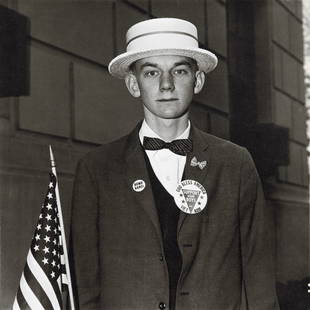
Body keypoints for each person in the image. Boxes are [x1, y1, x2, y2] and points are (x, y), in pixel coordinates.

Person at [69, 18, 279, 310]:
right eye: (151, 72)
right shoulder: (97, 169)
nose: (166, 84)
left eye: (179, 71)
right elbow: (84, 282)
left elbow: (258, 274)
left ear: (198, 80)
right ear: (133, 84)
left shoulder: (235, 164)